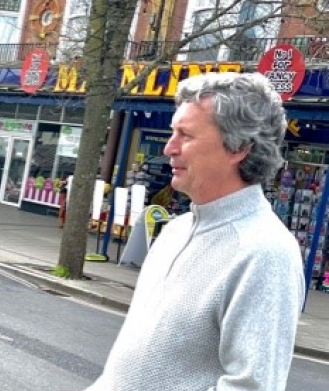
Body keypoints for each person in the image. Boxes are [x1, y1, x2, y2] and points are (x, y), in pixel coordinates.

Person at [86, 72, 304, 391]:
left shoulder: (264, 253)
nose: (169, 148)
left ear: (239, 146)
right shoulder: (175, 231)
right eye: (172, 133)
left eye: (185, 136)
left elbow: (251, 386)